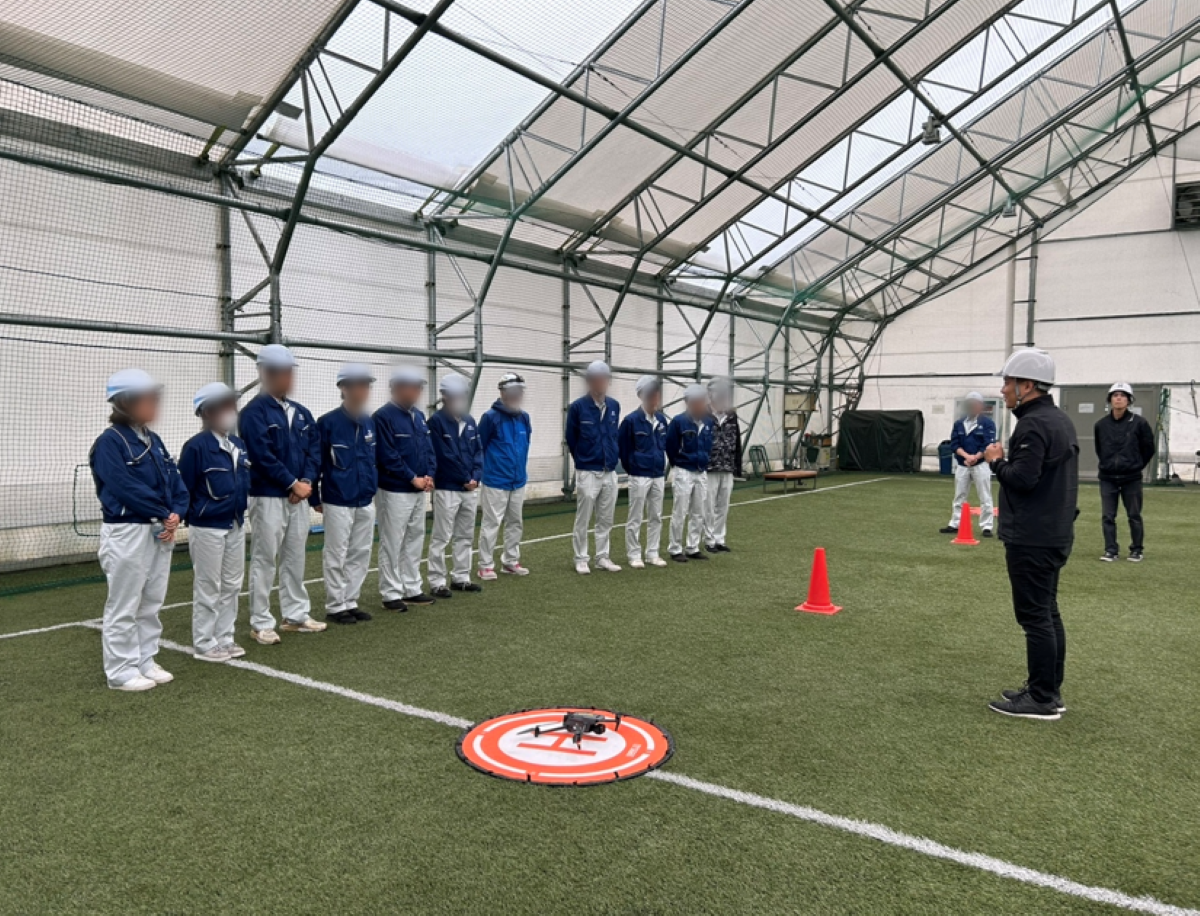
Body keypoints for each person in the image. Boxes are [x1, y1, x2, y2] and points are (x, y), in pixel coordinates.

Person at [983, 348, 1079, 721]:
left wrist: (996, 461)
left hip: (1033, 534)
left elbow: (1023, 479)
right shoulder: (1059, 420)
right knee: (1047, 612)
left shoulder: (1033, 424)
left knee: (1035, 616)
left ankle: (1040, 699)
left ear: (1027, 385)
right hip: (1054, 531)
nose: (1003, 390)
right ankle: (1048, 690)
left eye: (1008, 382)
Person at [89, 369, 189, 691]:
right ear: (125, 402)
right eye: (148, 397)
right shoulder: (110, 443)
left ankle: (146, 660)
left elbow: (175, 482)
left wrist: (176, 513)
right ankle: (121, 671)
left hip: (159, 529)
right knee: (125, 603)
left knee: (151, 602)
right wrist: (163, 512)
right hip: (128, 531)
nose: (155, 402)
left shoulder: (153, 440)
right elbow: (124, 486)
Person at [239, 344, 326, 644]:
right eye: (280, 372)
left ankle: (296, 615)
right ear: (264, 373)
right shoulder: (253, 412)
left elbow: (314, 451)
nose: (286, 377)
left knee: (295, 556)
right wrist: (292, 483)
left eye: (289, 372)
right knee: (265, 558)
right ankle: (261, 622)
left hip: (298, 496)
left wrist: (306, 482)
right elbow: (261, 455)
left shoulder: (301, 413)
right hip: (268, 496)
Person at [179, 382, 250, 663]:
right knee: (209, 585)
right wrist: (190, 516)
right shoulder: (196, 447)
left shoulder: (238, 445)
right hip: (207, 526)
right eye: (226, 405)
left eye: (233, 404)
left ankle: (225, 637)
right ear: (207, 412)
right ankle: (205, 642)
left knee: (232, 584)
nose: (232, 410)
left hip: (235, 523)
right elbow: (184, 488)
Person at [313, 363, 379, 625]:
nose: (363, 390)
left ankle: (351, 600)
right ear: (344, 388)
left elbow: (373, 460)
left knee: (360, 551)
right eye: (358, 385)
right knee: (336, 553)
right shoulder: (327, 423)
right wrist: (314, 498)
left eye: (366, 386)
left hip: (365, 498)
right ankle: (335, 605)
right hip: (338, 498)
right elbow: (317, 461)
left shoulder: (368, 422)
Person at [373, 365, 437, 610]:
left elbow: (429, 450)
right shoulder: (383, 417)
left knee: (414, 538)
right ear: (397, 388)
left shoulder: (418, 416)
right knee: (392, 541)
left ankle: (412, 587)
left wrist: (429, 475)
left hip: (418, 489)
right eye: (413, 387)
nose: (417, 391)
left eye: (419, 387)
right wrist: (412, 477)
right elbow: (387, 455)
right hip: (394, 489)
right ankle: (390, 593)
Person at [427, 373, 483, 598]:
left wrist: (476, 476)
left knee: (465, 535)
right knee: (441, 536)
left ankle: (461, 577)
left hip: (469, 488)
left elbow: (478, 451)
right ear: (444, 396)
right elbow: (444, 455)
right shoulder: (436, 422)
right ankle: (437, 581)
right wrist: (466, 478)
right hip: (447, 487)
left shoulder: (470, 421)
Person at [565, 360, 621, 574]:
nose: (601, 383)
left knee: (606, 518)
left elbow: (613, 435)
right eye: (597, 379)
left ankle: (602, 557)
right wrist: (582, 459)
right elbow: (571, 438)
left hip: (609, 470)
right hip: (588, 470)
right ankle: (581, 558)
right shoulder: (578, 407)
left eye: (604, 379)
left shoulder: (614, 406)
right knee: (584, 517)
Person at [476, 373, 533, 579]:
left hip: (518, 480)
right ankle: (485, 565)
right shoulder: (490, 418)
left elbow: (525, 445)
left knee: (515, 522)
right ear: (503, 393)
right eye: (513, 391)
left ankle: (510, 561)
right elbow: (479, 447)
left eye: (520, 391)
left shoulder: (524, 417)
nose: (517, 395)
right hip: (495, 480)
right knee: (491, 523)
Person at [1095, 382, 1154, 562]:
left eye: (1123, 395)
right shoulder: (1101, 425)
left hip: (1131, 478)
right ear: (1110, 400)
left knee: (1134, 515)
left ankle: (1136, 550)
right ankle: (1110, 550)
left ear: (1129, 400)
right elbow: (1099, 448)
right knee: (1108, 516)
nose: (1119, 398)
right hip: (1108, 477)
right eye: (1115, 395)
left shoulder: (1139, 423)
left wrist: (1136, 465)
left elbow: (1148, 448)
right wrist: (1108, 464)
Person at [618, 375, 669, 569]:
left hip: (658, 474)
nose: (655, 398)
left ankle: (652, 553)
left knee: (656, 515)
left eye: (657, 394)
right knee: (636, 516)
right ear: (642, 396)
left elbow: (664, 444)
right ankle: (634, 554)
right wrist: (633, 468)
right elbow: (623, 449)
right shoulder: (631, 421)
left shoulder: (662, 420)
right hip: (639, 474)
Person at [665, 384, 715, 563]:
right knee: (680, 511)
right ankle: (675, 548)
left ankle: (693, 547)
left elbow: (709, 445)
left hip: (701, 471)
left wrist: (704, 460)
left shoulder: (708, 422)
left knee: (698, 511)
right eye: (696, 401)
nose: (700, 404)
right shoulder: (678, 422)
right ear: (688, 402)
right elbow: (670, 446)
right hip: (684, 470)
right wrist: (678, 463)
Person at [939, 391, 996, 538]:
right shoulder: (959, 423)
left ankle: (987, 526)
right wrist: (966, 457)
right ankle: (955, 523)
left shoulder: (988, 423)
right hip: (963, 464)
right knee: (959, 495)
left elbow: (988, 444)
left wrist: (975, 457)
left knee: (985, 495)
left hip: (981, 464)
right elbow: (955, 444)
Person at [704, 377, 742, 553]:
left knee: (723, 506)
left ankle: (720, 538)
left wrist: (737, 466)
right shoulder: (703, 415)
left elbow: (737, 441)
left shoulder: (732, 416)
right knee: (709, 506)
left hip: (727, 466)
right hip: (709, 467)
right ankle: (709, 540)